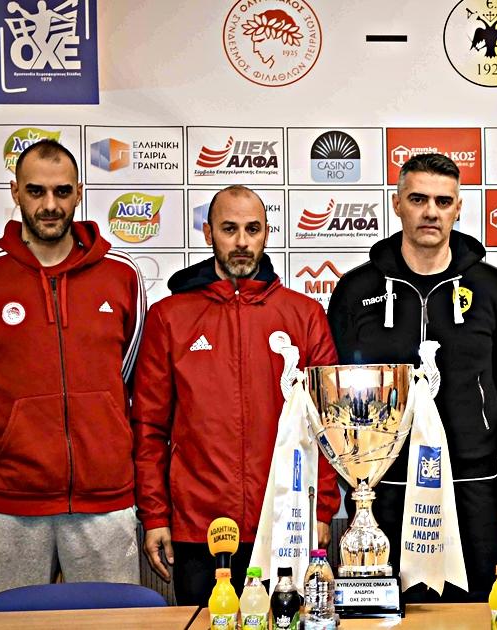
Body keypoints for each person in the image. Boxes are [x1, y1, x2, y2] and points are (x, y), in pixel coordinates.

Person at [0, 139, 146, 607]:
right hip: (10, 502)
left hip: (105, 499)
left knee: (113, 624)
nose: (50, 205)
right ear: (15, 192)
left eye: (62, 191)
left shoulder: (122, 274)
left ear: (79, 193)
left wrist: (98, 418)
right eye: (36, 191)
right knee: (8, 621)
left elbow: (128, 370)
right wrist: (11, 422)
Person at [327, 153, 497, 598]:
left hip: (469, 480)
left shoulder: (490, 287)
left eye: (443, 201)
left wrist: (480, 420)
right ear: (397, 204)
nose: (431, 212)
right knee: (389, 611)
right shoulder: (357, 290)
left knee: (474, 608)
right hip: (384, 483)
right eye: (418, 199)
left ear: (458, 208)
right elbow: (337, 381)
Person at [132, 185, 342, 605]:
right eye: (229, 229)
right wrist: (155, 515)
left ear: (266, 233)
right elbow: (149, 427)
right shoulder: (169, 317)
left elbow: (327, 423)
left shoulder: (305, 315)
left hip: (286, 522)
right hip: (198, 528)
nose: (242, 241)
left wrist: (321, 510)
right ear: (208, 233)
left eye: (252, 229)